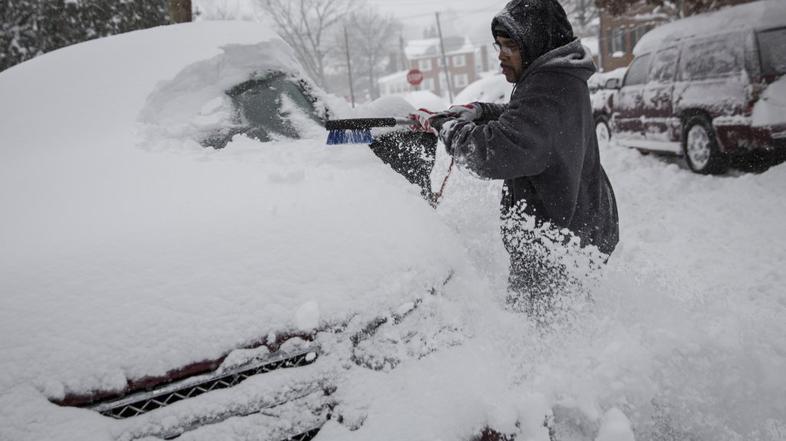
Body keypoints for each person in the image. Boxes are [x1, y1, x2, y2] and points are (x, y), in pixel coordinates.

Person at [411, 0, 619, 316]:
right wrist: (478, 111)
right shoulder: (557, 78)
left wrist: (446, 126)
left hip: (557, 246)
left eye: (511, 45)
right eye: (499, 45)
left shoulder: (549, 87)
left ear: (536, 43)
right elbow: (524, 121)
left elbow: (493, 152)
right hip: (577, 228)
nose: (501, 55)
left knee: (544, 335)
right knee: (573, 322)